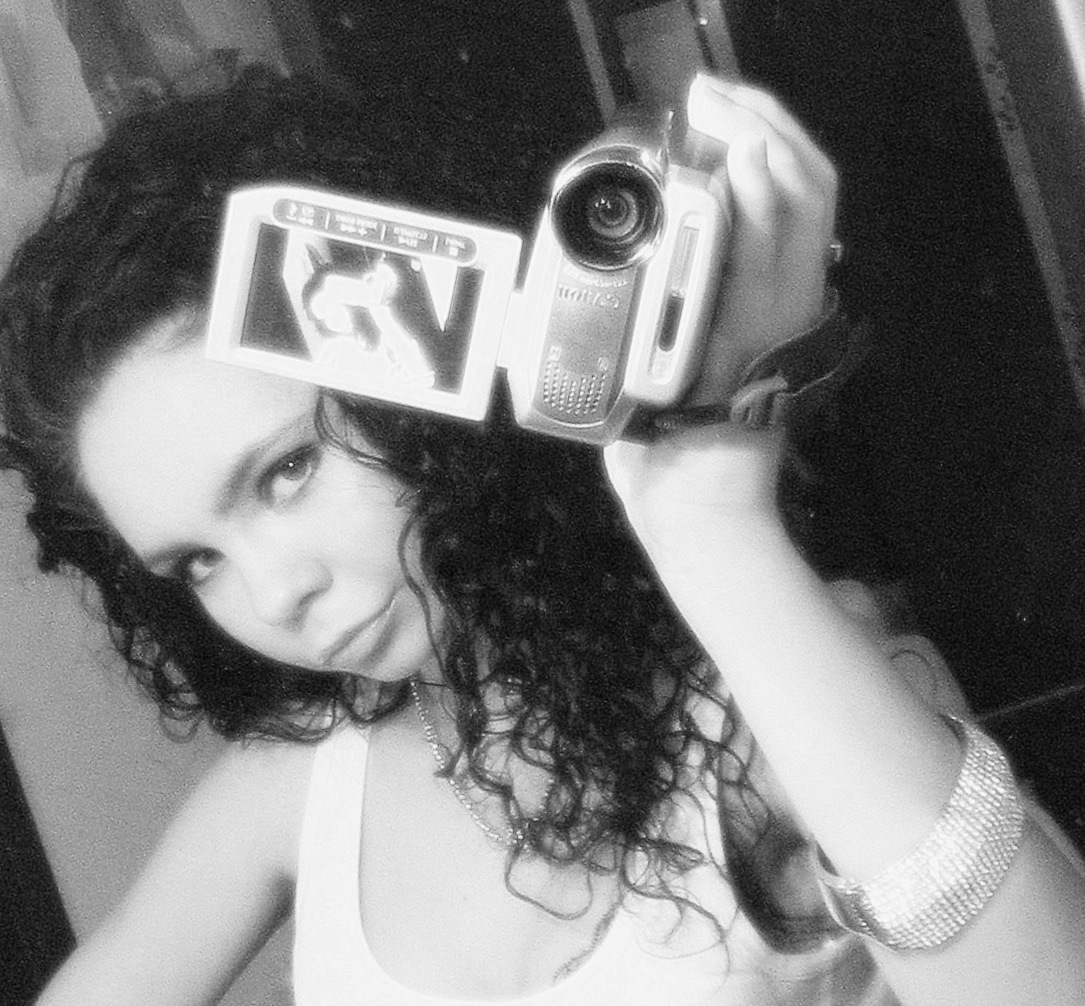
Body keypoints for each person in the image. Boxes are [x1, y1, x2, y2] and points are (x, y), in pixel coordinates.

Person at [0, 65, 1082, 1006]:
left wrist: (709, 518)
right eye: (196, 561)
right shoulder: (300, 784)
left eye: (287, 472)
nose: (273, 594)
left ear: (415, 391)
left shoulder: (791, 694)